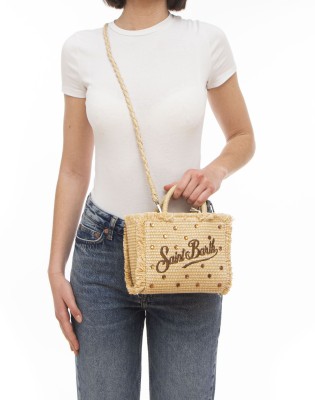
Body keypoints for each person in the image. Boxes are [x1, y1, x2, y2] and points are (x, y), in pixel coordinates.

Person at [48, 0, 255, 398]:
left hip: (186, 253)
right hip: (103, 255)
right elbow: (73, 169)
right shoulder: (81, 49)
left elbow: (242, 137)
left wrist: (215, 172)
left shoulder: (206, 41)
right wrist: (56, 269)